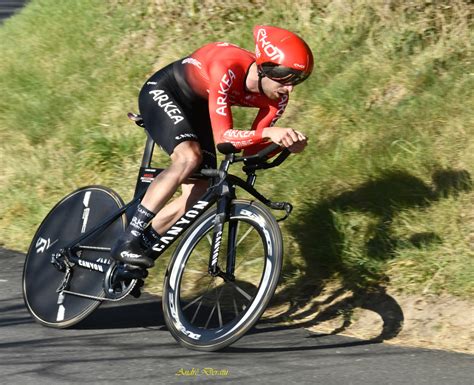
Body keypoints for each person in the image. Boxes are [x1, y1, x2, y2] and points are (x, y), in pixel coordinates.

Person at [112, 25, 314, 269]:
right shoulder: (227, 66)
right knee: (188, 158)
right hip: (166, 91)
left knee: (202, 190)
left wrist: (285, 146)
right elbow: (223, 140)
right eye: (286, 77)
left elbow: (250, 152)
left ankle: (145, 242)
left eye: (298, 81)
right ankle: (128, 239)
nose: (290, 88)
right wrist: (270, 132)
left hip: (200, 107)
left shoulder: (278, 98)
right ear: (265, 68)